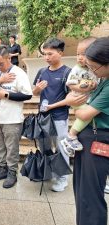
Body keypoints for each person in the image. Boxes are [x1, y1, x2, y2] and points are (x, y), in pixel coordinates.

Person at [64, 37, 109, 225]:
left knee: (90, 195)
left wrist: (70, 102)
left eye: (94, 67)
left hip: (97, 140)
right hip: (89, 137)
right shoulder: (104, 79)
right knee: (82, 191)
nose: (91, 71)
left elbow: (84, 114)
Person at [0, 46, 32, 188]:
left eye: (1, 63)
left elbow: (28, 95)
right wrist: (0, 80)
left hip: (12, 119)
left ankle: (12, 172)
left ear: (9, 58)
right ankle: (2, 169)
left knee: (12, 148)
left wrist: (7, 95)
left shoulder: (19, 73)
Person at [32, 38, 71, 192]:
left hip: (59, 116)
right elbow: (34, 92)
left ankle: (62, 179)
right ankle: (48, 172)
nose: (47, 57)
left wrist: (52, 106)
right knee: (45, 146)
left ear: (60, 53)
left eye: (50, 53)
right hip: (43, 117)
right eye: (45, 54)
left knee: (61, 147)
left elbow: (71, 98)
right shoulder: (42, 71)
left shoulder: (67, 72)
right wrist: (38, 89)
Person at [60, 37, 97, 157]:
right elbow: (70, 84)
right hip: (78, 98)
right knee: (87, 115)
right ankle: (71, 135)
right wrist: (85, 87)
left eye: (83, 54)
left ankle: (70, 144)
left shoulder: (92, 68)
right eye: (78, 54)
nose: (80, 57)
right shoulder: (77, 69)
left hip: (87, 98)